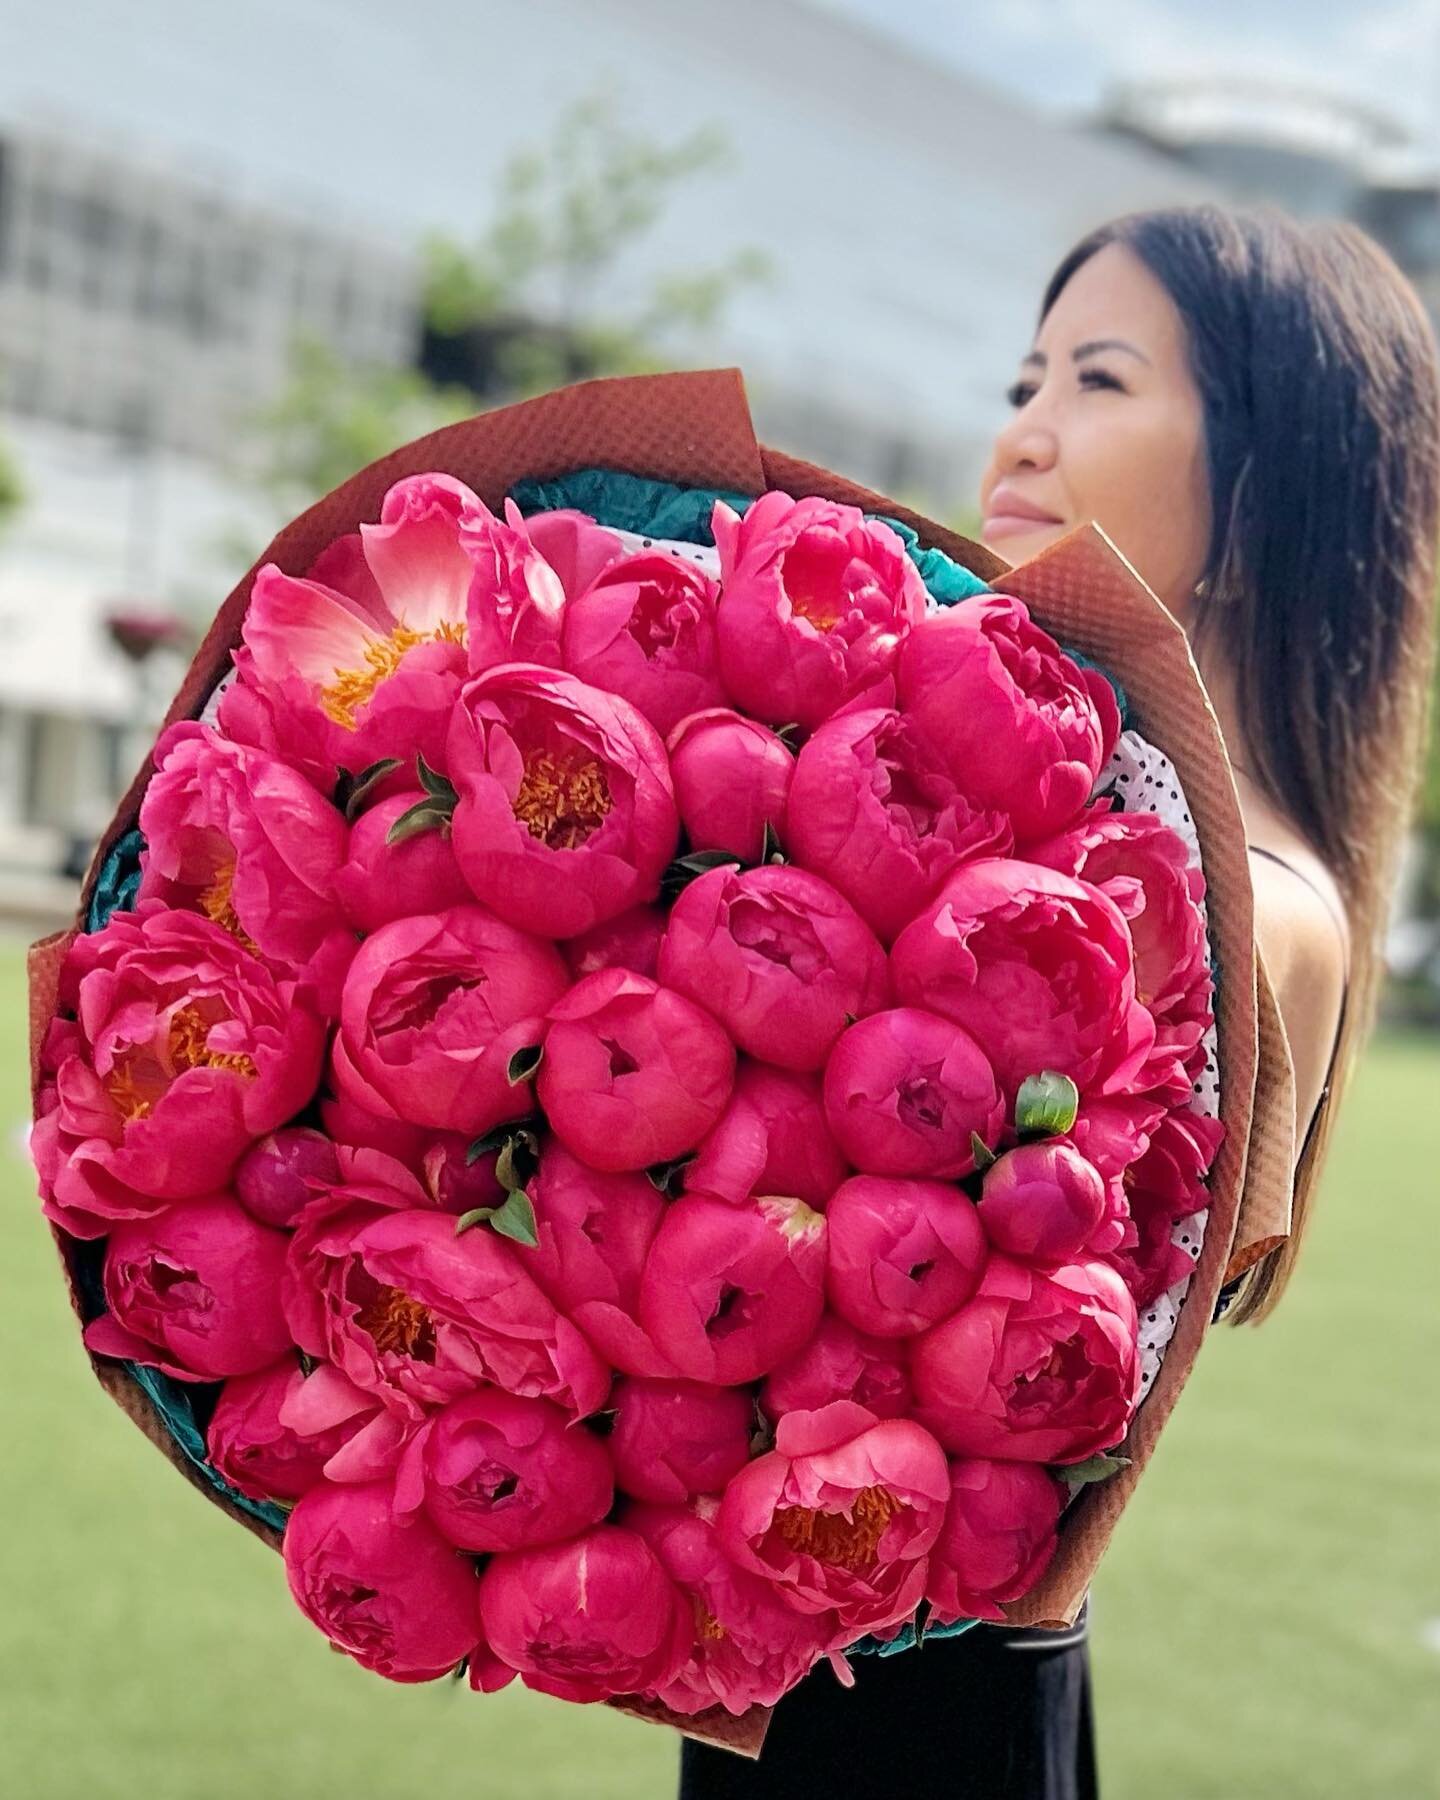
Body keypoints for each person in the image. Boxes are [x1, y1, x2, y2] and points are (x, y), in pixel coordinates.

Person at [676, 201, 1439, 1799]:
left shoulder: (1261, 906)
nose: (1021, 437)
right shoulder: (1020, 804)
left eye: (1096, 382)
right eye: (1024, 381)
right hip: (810, 1635)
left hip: (934, 1702)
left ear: (1261, 491)